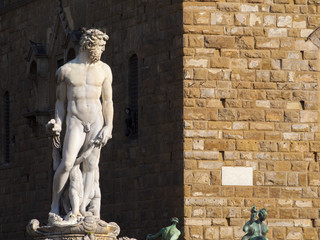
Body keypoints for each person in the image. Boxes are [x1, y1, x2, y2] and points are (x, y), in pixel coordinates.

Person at [47, 28, 113, 224]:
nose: (101, 50)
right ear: (88, 45)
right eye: (100, 46)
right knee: (66, 163)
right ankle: (55, 207)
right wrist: (57, 123)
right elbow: (60, 102)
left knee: (91, 165)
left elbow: (108, 101)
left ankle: (81, 210)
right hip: (75, 120)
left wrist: (108, 126)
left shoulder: (104, 69)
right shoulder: (65, 70)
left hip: (96, 120)